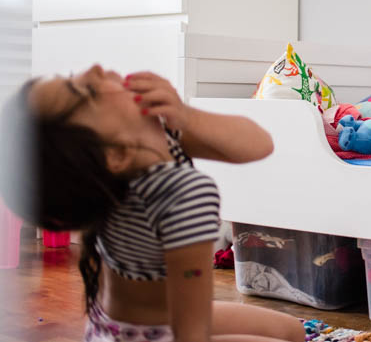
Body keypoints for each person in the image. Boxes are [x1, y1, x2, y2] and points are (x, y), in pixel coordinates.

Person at [0, 65, 305, 342]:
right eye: (87, 92)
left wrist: (187, 115)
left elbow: (258, 145)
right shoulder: (181, 194)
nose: (93, 69)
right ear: (114, 155)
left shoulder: (144, 144)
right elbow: (192, 332)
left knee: (292, 330)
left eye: (72, 78)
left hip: (121, 323)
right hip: (154, 335)